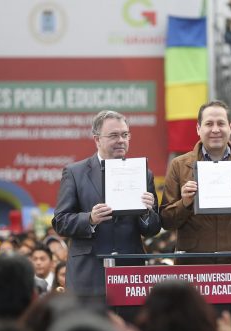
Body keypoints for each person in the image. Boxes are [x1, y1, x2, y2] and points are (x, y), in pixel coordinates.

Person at [52, 110, 160, 299]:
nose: (121, 140)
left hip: (130, 270)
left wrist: (146, 213)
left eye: (125, 135)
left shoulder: (143, 173)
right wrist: (90, 219)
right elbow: (60, 221)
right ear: (97, 139)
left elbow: (153, 229)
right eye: (114, 135)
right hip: (88, 270)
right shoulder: (75, 172)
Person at [160, 100, 231, 264]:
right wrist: (184, 203)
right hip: (195, 263)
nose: (215, 129)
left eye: (221, 123)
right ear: (198, 129)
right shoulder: (178, 165)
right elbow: (165, 221)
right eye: (209, 124)